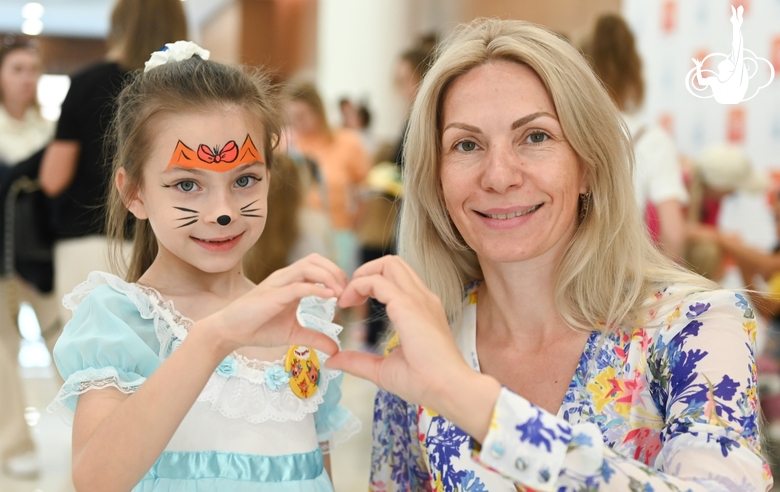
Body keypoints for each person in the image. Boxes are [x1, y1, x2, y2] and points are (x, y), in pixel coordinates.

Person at [325, 19, 771, 491]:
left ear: (589, 166)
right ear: (435, 183)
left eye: (535, 137)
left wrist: (473, 403)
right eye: (467, 144)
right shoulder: (419, 350)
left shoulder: (695, 326)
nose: (499, 175)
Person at [46, 43, 358, 491]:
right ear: (134, 192)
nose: (223, 210)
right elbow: (97, 480)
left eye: (244, 180)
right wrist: (214, 337)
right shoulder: (121, 323)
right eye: (187, 184)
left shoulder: (302, 320)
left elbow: (319, 472)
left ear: (270, 177)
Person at [38, 0, 188, 324]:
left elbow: (52, 179)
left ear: (120, 24)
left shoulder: (87, 84)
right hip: (170, 240)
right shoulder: (190, 90)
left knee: (86, 359)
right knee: (164, 353)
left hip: (89, 238)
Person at [581, 14, 687, 261]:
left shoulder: (566, 130)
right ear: (634, 72)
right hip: (622, 273)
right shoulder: (652, 140)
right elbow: (673, 234)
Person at [0, 33, 59, 480]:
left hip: (41, 257)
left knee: (63, 340)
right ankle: (13, 442)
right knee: (4, 351)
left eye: (33, 70)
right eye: (17, 69)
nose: (27, 79)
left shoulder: (49, 131)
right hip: (1, 260)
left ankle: (96, 426)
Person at [286, 82, 370, 277]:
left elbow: (364, 191)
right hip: (298, 234)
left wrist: (355, 227)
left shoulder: (347, 142)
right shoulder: (285, 143)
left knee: (337, 291)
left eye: (302, 116)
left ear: (318, 112)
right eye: (292, 117)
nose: (297, 123)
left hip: (339, 231)